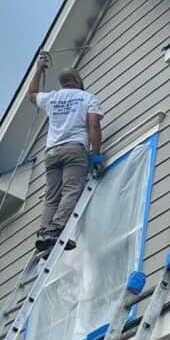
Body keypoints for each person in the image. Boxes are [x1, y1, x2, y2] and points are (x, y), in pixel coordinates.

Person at [27, 53, 104, 252]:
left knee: (52, 196)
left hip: (52, 153)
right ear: (78, 80)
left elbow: (32, 94)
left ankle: (44, 233)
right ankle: (56, 229)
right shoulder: (88, 98)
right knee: (71, 190)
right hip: (74, 150)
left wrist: (38, 69)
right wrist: (96, 155)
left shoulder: (52, 98)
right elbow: (94, 125)